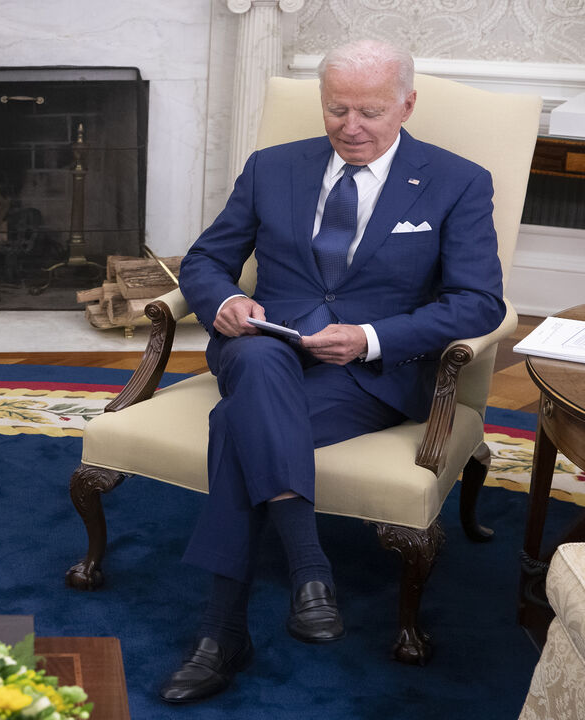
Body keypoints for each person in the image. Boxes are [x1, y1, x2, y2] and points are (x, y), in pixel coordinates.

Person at [159, 39, 505, 704]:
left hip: (369, 374)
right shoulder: (272, 168)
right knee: (258, 357)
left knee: (239, 425)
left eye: (370, 112)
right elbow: (206, 260)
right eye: (336, 109)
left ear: (407, 104)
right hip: (264, 342)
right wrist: (226, 300)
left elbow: (477, 302)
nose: (351, 126)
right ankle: (308, 567)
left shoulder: (457, 181)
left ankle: (220, 635)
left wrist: (372, 338)